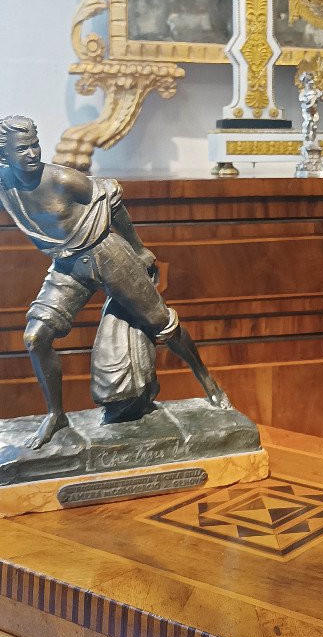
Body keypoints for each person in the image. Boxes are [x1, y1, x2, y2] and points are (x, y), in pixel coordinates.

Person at [0, 115, 230, 449]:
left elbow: (113, 199)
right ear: (4, 155)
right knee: (36, 337)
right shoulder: (6, 184)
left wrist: (139, 251)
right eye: (23, 148)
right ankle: (56, 414)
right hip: (67, 265)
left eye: (35, 144)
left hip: (106, 254)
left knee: (161, 323)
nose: (33, 153)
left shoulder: (64, 179)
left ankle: (208, 381)